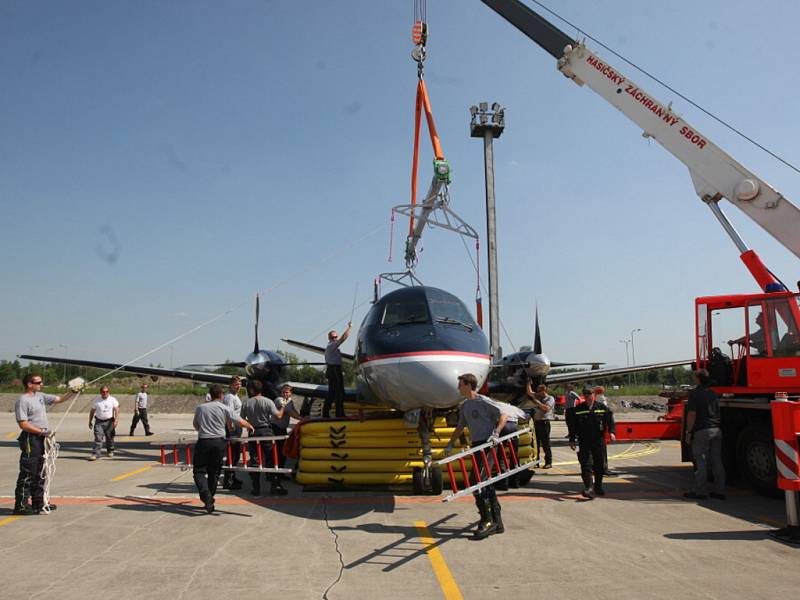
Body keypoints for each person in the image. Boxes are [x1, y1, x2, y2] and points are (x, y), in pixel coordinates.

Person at [444, 373, 508, 539]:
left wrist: (495, 433)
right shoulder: (465, 406)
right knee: (485, 482)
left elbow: (504, 415)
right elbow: (460, 427)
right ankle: (496, 521)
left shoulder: (483, 401)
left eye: (460, 384)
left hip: (488, 444)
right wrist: (450, 444)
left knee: (477, 481)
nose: (458, 387)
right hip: (477, 446)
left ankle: (487, 521)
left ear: (468, 385)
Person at [13, 373, 79, 515]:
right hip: (31, 438)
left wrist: (73, 391)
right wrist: (41, 432)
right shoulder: (22, 401)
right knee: (28, 471)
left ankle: (39, 502)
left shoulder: (40, 396)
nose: (41, 384)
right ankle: (21, 505)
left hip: (42, 438)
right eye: (38, 382)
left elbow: (60, 399)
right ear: (29, 384)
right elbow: (23, 424)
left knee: (40, 471)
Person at [193, 384, 254, 513]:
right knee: (214, 472)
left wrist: (203, 430)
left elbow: (195, 424)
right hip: (219, 442)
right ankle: (210, 497)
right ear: (221, 395)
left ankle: (206, 496)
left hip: (204, 441)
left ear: (210, 394)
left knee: (199, 471)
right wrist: (249, 426)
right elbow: (239, 420)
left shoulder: (201, 408)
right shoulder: (224, 407)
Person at [683, 369, 726, 501]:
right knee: (716, 460)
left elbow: (692, 414)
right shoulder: (713, 394)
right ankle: (720, 491)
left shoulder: (695, 394)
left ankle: (701, 491)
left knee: (700, 460)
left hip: (702, 431)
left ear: (698, 379)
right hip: (716, 430)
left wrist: (688, 432)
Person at [567, 386, 616, 498]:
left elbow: (610, 420)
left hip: (598, 440)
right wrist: (572, 440)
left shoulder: (601, 407)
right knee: (586, 464)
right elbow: (573, 426)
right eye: (585, 395)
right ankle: (588, 488)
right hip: (584, 441)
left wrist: (612, 432)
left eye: (589, 394)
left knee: (599, 465)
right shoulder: (578, 409)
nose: (587, 397)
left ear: (594, 395)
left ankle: (598, 486)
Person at [240, 379, 287, 496]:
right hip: (266, 431)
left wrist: (249, 425)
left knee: (255, 460)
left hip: (253, 433)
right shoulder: (268, 401)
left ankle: (256, 488)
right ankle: (274, 486)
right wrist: (283, 406)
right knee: (271, 459)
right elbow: (279, 416)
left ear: (251, 390)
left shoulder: (246, 403)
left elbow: (241, 420)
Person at [270, 384, 302, 476]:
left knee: (282, 451)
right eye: (283, 392)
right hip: (275, 428)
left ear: (291, 393)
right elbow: (288, 411)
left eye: (287, 392)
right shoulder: (279, 400)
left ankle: (280, 473)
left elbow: (293, 410)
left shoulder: (290, 401)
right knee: (276, 451)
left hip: (282, 428)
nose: (285, 394)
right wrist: (300, 418)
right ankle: (273, 474)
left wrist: (300, 417)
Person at [323, 322, 352, 418]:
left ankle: (327, 413)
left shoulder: (332, 347)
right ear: (329, 338)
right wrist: (349, 327)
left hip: (333, 370)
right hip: (334, 370)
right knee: (339, 393)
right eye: (333, 337)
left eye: (336, 337)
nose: (335, 339)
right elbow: (343, 338)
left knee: (332, 393)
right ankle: (339, 414)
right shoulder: (332, 345)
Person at [222, 376, 245, 490]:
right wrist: (230, 427)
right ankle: (228, 481)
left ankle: (233, 477)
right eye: (236, 384)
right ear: (230, 385)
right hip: (233, 429)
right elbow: (228, 413)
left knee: (236, 455)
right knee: (232, 454)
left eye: (240, 384)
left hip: (237, 427)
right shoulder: (229, 397)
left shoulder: (235, 396)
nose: (239, 386)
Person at [526, 381, 554, 469]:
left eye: (539, 391)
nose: (537, 393)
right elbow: (530, 392)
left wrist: (537, 402)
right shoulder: (538, 396)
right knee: (536, 443)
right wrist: (528, 383)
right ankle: (536, 461)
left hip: (544, 423)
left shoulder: (550, 399)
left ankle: (548, 462)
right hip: (536, 422)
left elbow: (546, 408)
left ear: (544, 391)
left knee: (546, 444)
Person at [88, 386, 119, 461]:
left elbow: (116, 409)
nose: (105, 393)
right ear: (100, 392)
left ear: (108, 392)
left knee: (110, 438)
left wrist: (116, 420)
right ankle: (95, 454)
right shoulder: (96, 400)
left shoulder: (112, 399)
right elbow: (92, 411)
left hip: (110, 421)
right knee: (98, 438)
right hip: (99, 422)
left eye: (106, 391)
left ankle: (110, 450)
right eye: (103, 392)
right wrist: (90, 421)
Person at [593, 385, 614, 476]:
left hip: (596, 428)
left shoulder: (595, 399)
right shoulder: (601, 399)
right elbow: (608, 414)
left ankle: (596, 468)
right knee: (601, 451)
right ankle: (603, 468)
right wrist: (611, 430)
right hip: (601, 428)